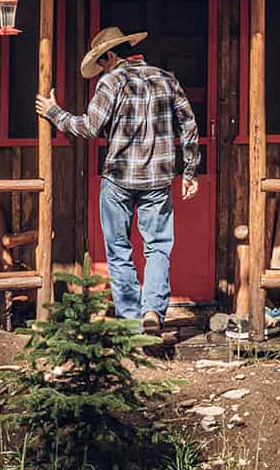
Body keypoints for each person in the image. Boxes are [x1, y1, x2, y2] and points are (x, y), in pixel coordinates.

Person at [36, 26, 199, 333]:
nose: (100, 68)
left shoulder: (110, 82)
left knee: (119, 250)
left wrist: (55, 113)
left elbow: (89, 127)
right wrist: (190, 171)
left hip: (119, 180)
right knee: (158, 248)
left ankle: (131, 322)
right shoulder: (166, 78)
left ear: (110, 56)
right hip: (158, 181)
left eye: (100, 62)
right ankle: (153, 311)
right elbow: (188, 125)